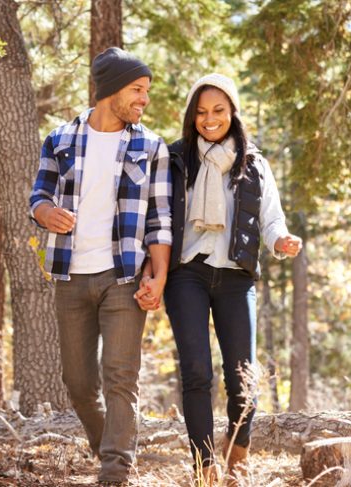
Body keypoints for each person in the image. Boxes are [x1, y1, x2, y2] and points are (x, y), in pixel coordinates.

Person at [136, 74, 302, 484]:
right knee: (196, 371)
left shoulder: (254, 163)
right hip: (185, 273)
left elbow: (272, 218)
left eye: (219, 111)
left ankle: (238, 454)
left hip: (235, 275)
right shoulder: (175, 159)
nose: (209, 120)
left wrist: (281, 240)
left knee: (242, 373)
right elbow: (154, 217)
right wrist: (151, 270)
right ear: (192, 115)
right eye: (201, 112)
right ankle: (204, 464)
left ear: (233, 112)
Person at [28, 47, 172, 485]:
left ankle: (115, 471)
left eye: (146, 91)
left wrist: (159, 275)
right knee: (77, 383)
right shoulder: (60, 139)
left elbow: (160, 219)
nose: (144, 100)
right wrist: (45, 214)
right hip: (70, 275)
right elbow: (38, 196)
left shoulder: (150, 146)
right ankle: (106, 444)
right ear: (110, 90)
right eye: (137, 90)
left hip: (123, 276)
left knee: (121, 377)